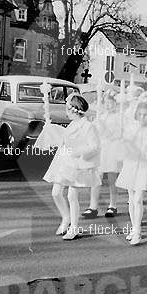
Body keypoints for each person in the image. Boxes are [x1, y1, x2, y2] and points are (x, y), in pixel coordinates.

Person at [43, 94, 101, 240]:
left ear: (74, 110)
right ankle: (66, 218)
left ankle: (74, 228)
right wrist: (51, 132)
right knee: (56, 192)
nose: (66, 112)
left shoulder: (88, 126)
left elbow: (95, 146)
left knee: (72, 195)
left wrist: (79, 152)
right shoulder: (72, 124)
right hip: (64, 162)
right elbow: (65, 140)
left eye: (67, 109)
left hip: (78, 164)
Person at [116, 99, 147, 245]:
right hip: (131, 165)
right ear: (136, 114)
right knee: (131, 198)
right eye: (141, 114)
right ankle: (134, 226)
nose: (143, 118)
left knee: (138, 198)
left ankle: (138, 231)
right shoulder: (131, 128)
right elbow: (124, 145)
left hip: (145, 167)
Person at [85, 89, 123, 218]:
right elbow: (95, 132)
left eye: (111, 103)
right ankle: (93, 206)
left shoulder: (118, 117)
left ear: (116, 104)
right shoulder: (100, 116)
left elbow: (116, 133)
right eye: (106, 103)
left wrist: (104, 127)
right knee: (97, 178)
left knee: (112, 179)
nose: (108, 105)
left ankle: (113, 205)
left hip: (112, 149)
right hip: (101, 149)